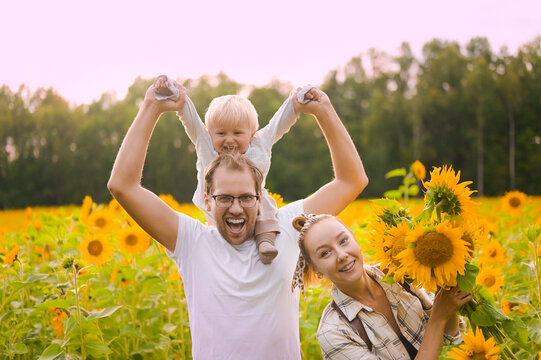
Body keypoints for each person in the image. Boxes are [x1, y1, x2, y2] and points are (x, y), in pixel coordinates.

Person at [107, 78, 368, 359]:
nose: (235, 208)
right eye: (224, 198)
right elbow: (123, 186)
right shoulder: (191, 241)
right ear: (207, 200)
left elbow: (351, 181)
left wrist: (323, 110)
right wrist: (151, 107)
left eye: (245, 197)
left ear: (260, 197)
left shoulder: (287, 227)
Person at [153, 75, 313, 264]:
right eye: (221, 133)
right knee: (215, 229)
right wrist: (177, 97)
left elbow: (279, 124)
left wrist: (295, 102)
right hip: (217, 203)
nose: (229, 140)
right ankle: (217, 249)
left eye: (237, 133)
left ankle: (266, 241)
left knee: (267, 205)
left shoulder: (259, 144)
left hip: (254, 202)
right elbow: (191, 121)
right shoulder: (206, 146)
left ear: (252, 135)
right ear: (209, 133)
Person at [291, 214, 471, 360]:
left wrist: (447, 284)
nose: (341, 255)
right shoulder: (335, 333)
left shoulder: (398, 275)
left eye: (343, 241)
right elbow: (438, 322)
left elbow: (448, 336)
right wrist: (439, 317)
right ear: (316, 268)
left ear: (353, 237)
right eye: (325, 253)